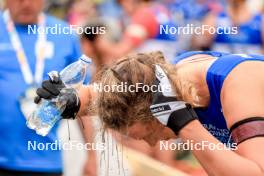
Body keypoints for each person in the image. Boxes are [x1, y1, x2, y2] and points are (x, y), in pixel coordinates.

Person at [37, 50, 264, 175]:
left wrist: (184, 123)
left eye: (145, 135)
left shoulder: (240, 85)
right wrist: (70, 97)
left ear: (160, 112)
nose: (152, 145)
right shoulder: (164, 85)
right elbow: (109, 94)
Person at [0, 0, 82, 175]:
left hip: (46, 160)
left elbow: (84, 95)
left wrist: (93, 156)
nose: (27, 4)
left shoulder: (64, 34)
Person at [193, 0, 264, 54]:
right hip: (221, 69)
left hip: (249, 68)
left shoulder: (259, 20)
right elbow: (200, 44)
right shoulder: (215, 17)